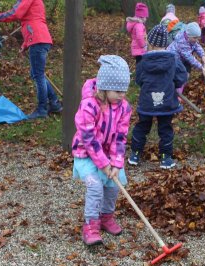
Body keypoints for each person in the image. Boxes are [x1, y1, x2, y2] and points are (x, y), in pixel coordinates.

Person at [72, 55, 132, 246]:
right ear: (104, 87)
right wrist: (103, 163)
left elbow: (120, 137)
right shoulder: (89, 105)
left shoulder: (124, 107)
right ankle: (91, 224)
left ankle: (106, 217)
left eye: (124, 90)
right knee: (95, 186)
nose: (122, 95)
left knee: (113, 186)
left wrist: (116, 162)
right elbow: (88, 138)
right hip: (86, 154)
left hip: (109, 156)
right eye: (117, 91)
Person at [0, 0, 63, 119]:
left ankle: (42, 109)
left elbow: (15, 13)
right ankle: (54, 103)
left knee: (38, 75)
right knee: (37, 74)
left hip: (38, 39)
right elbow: (32, 20)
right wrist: (25, 45)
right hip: (40, 39)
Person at [128, 25, 188, 169]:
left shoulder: (143, 61)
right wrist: (174, 84)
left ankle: (135, 154)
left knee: (142, 126)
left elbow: (139, 80)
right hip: (167, 101)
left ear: (150, 42)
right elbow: (182, 76)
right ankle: (165, 158)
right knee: (165, 128)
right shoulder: (173, 60)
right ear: (166, 43)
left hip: (147, 102)